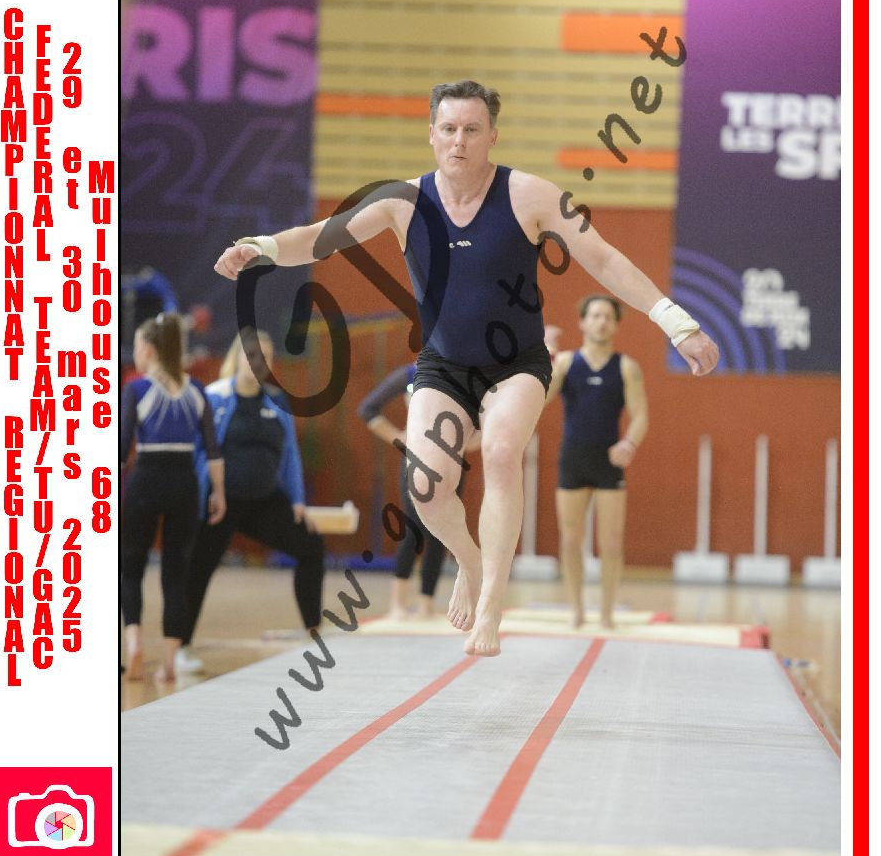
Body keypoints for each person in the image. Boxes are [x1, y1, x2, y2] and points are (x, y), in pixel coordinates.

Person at [214, 79, 719, 657]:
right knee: (425, 489)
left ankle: (490, 607)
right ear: (432, 135)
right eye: (449, 129)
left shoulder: (529, 195)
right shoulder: (401, 201)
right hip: (443, 364)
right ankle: (469, 561)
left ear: (492, 137)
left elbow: (602, 258)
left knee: (501, 452)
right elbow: (318, 239)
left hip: (517, 363)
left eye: (472, 130)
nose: (459, 141)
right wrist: (262, 248)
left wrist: (676, 321)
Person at [178, 329, 326, 672]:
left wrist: (297, 500)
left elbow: (290, 453)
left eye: (266, 356)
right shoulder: (215, 396)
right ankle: (181, 645)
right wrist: (197, 498)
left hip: (264, 501)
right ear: (238, 357)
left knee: (311, 546)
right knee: (197, 568)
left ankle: (313, 631)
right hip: (220, 502)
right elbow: (198, 450)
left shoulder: (277, 400)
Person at [120, 313, 226, 682]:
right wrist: (219, 492)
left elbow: (122, 449)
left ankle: (134, 643)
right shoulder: (196, 390)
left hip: (146, 481)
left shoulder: (136, 389)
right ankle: (169, 662)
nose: (135, 353)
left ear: (149, 350)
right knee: (175, 572)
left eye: (136, 346)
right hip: (185, 484)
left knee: (130, 567)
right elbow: (213, 449)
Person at [544, 297, 648, 629]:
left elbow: (641, 416)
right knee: (570, 540)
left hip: (608, 462)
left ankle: (606, 612)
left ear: (615, 325)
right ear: (583, 322)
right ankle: (576, 610)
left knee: (612, 543)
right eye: (595, 316)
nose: (601, 322)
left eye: (607, 317)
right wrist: (544, 357)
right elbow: (539, 398)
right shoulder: (564, 363)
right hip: (573, 460)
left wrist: (629, 443)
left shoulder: (627, 367)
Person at [357, 363, 480, 619]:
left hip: (451, 459)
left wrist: (471, 441)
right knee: (412, 528)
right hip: (417, 457)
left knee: (442, 531)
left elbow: (485, 419)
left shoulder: (466, 372)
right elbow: (368, 408)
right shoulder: (412, 373)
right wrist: (397, 436)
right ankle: (398, 602)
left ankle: (426, 602)